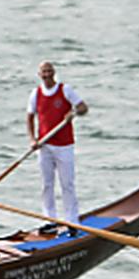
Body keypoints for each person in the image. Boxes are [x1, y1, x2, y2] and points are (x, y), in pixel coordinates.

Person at [27, 61, 89, 230]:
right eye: (43, 72)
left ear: (54, 73)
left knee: (67, 183)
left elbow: (83, 108)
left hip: (64, 146)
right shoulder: (36, 94)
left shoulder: (65, 90)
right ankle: (50, 220)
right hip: (45, 146)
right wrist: (33, 139)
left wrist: (74, 113)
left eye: (49, 71)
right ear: (39, 75)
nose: (47, 75)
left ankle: (72, 220)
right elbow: (30, 117)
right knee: (46, 184)